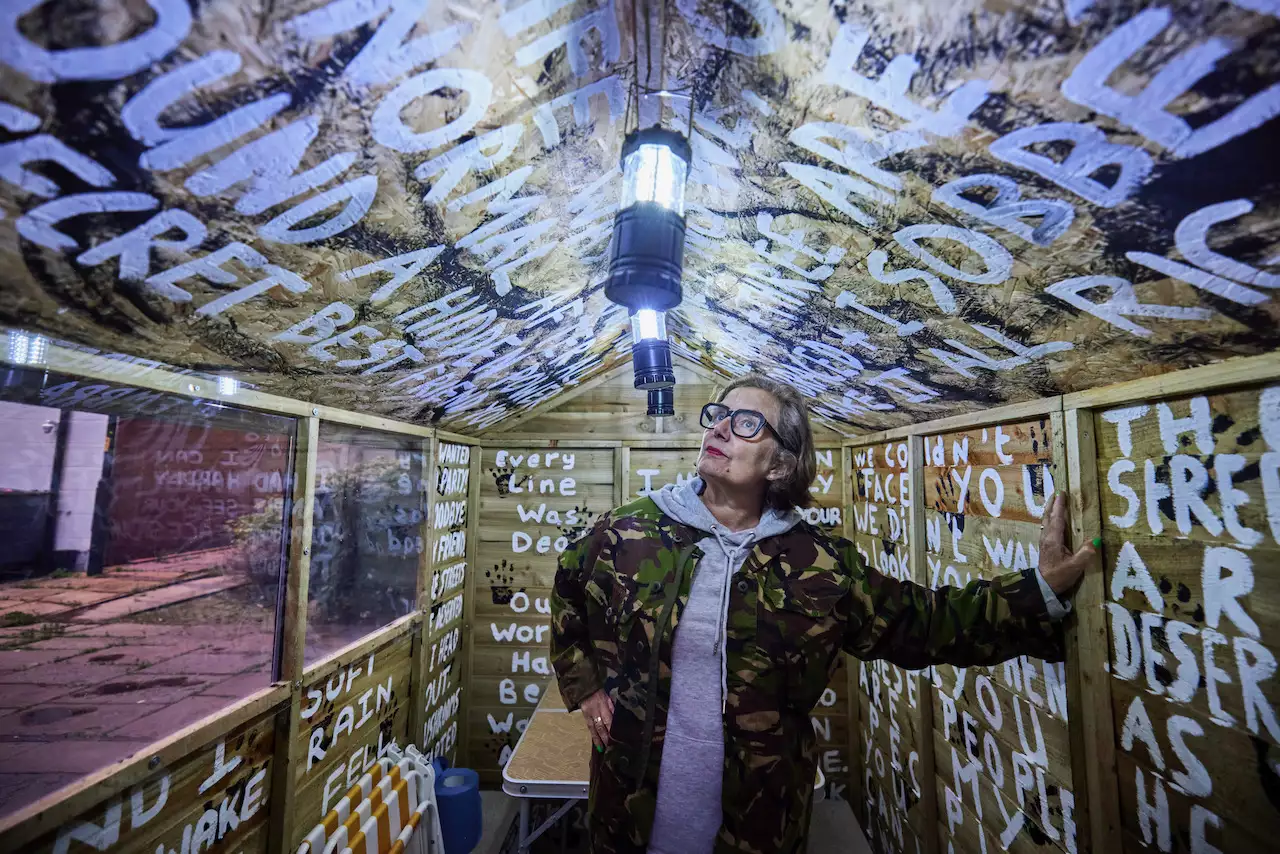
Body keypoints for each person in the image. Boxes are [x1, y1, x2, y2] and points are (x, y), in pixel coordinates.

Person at [550, 375, 1093, 854]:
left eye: (745, 424)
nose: (717, 429)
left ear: (781, 462)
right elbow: (568, 591)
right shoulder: (630, 530)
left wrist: (1038, 589)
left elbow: (923, 623)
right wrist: (585, 683)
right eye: (716, 416)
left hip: (761, 819)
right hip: (631, 811)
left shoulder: (821, 563)